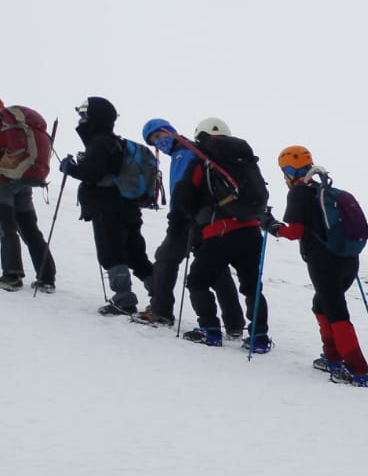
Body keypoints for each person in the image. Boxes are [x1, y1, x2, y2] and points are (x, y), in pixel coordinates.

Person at [134, 118, 246, 334]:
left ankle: (161, 311)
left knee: (165, 259)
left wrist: (176, 219)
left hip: (188, 218)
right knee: (217, 271)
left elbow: (181, 189)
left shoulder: (183, 153)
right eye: (154, 141)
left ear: (170, 131)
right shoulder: (196, 151)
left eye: (159, 136)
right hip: (210, 218)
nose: (158, 142)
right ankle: (235, 324)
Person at [174, 118, 274, 351]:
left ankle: (210, 330)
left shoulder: (204, 161)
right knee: (252, 287)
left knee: (198, 281)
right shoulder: (247, 160)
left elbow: (183, 197)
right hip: (251, 231)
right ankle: (259, 337)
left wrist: (193, 216)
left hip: (219, 233)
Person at [276, 146, 368, 386]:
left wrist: (270, 225)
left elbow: (294, 232)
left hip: (323, 261)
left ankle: (357, 369)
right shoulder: (324, 190)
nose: (284, 179)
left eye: (284, 173)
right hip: (348, 259)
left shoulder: (299, 193)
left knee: (336, 310)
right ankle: (332, 356)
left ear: (289, 171)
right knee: (322, 304)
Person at [56, 96, 154, 315]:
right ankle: (160, 295)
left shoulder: (99, 142)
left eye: (84, 114)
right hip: (128, 205)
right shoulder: (115, 142)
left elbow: (92, 174)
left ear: (95, 116)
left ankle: (123, 299)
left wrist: (69, 168)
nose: (81, 119)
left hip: (107, 206)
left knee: (112, 252)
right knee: (136, 253)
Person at [0, 98, 57, 291]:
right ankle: (47, 278)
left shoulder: (5, 124)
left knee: (6, 228)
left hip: (3, 182)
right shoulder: (20, 122)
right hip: (25, 180)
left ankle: (12, 275)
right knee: (30, 229)